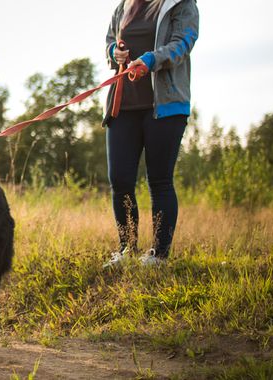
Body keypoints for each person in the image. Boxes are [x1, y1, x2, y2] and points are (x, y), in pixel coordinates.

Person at [102, 0, 199, 267]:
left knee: (159, 181)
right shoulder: (124, 6)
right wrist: (114, 52)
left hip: (165, 106)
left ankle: (159, 254)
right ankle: (127, 249)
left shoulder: (181, 4)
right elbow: (110, 39)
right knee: (120, 180)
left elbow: (183, 44)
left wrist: (150, 60)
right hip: (123, 105)